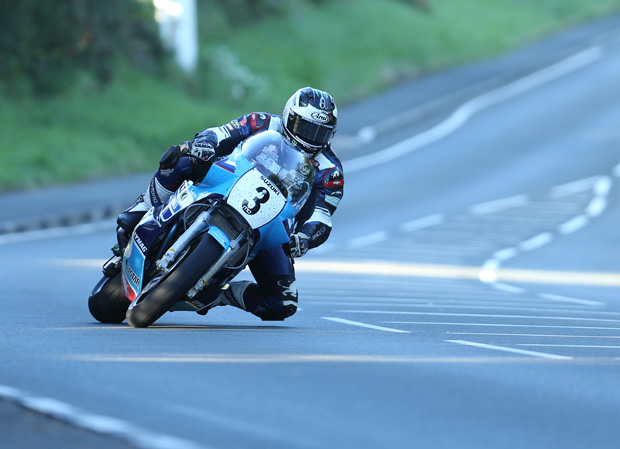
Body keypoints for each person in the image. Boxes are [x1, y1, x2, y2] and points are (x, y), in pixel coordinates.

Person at [116, 87, 344, 321]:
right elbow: (221, 133)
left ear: (331, 134)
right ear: (288, 117)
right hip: (227, 181)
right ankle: (143, 208)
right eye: (304, 128)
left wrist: (305, 238)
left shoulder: (330, 172)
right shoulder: (261, 122)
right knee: (181, 159)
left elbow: (322, 215)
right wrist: (204, 144)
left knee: (282, 303)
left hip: (272, 223)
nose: (309, 137)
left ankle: (220, 295)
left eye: (319, 133)